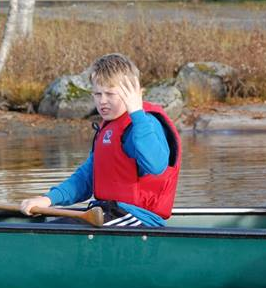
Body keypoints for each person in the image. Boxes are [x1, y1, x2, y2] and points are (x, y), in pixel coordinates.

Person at [20, 53, 181, 227]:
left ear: (132, 94)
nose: (102, 101)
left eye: (110, 94)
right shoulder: (109, 128)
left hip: (138, 219)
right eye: (98, 94)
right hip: (109, 212)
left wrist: (136, 113)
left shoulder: (144, 124)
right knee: (46, 225)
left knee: (51, 233)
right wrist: (48, 200)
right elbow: (86, 178)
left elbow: (156, 166)